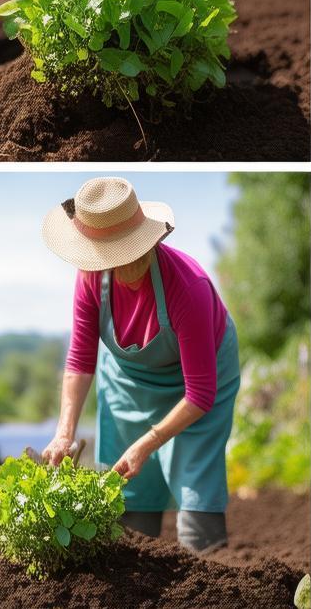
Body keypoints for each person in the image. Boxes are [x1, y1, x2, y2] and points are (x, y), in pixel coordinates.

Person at [40, 177, 240, 552]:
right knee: (131, 510)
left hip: (196, 384)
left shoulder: (188, 287)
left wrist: (148, 443)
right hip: (129, 386)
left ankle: (214, 577)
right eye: (113, 256)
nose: (126, 263)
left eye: (132, 250)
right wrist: (64, 433)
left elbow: (201, 394)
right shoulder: (89, 278)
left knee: (197, 510)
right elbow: (81, 360)